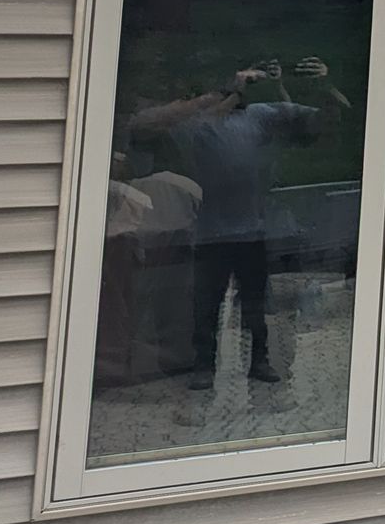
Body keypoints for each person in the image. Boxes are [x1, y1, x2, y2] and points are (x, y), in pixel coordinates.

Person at [134, 57, 349, 389]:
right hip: (211, 234)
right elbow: (142, 126)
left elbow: (329, 121)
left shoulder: (261, 115)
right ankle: (204, 365)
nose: (251, 85)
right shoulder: (199, 123)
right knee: (206, 305)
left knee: (255, 305)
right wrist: (224, 92)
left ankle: (259, 361)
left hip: (253, 231)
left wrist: (322, 84)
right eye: (247, 78)